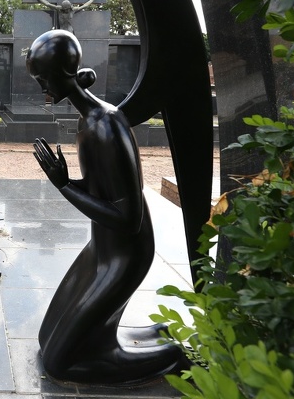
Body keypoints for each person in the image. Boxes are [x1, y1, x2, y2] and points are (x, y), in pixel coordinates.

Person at [27, 29, 185, 384]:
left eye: (43, 79)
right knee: (46, 340)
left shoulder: (106, 124)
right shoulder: (88, 121)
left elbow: (128, 218)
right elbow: (103, 190)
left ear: (63, 74)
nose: (42, 88)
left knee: (60, 364)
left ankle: (173, 357)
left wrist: (65, 186)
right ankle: (153, 336)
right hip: (101, 248)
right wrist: (72, 182)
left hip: (125, 254)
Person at [30, 0, 101, 33]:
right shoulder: (59, 9)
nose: (66, 10)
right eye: (65, 9)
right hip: (61, 30)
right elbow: (48, 4)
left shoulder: (73, 10)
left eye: (67, 9)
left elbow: (85, 5)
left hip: (69, 30)